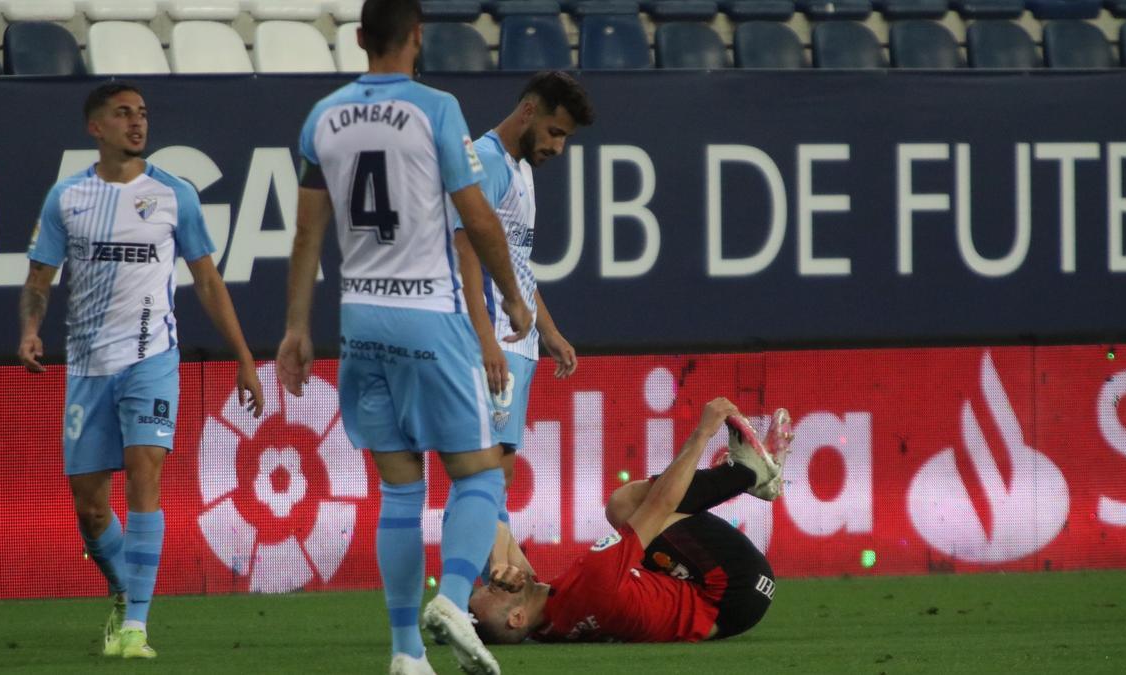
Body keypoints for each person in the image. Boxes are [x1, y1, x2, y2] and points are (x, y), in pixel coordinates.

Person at [276, 1, 531, 673]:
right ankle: (450, 597)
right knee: (479, 472)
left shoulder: (322, 117)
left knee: (398, 488)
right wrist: (509, 295)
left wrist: (297, 326)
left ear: (359, 39)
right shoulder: (436, 109)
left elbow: (307, 232)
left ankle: (405, 652)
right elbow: (477, 219)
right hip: (430, 314)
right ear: (418, 38)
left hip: (360, 322)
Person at [18, 82, 264, 660]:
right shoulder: (67, 198)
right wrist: (30, 331)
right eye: (123, 114)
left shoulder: (174, 194)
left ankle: (136, 627)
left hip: (152, 359)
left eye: (143, 114)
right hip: (87, 365)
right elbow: (37, 281)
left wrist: (245, 358)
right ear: (95, 128)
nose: (137, 123)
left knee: (144, 473)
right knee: (91, 506)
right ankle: (127, 590)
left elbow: (207, 280)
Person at [469, 402, 794, 644]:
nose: (495, 581)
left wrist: (498, 563)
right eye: (495, 590)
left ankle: (753, 476)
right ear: (516, 617)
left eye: (489, 581)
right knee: (626, 505)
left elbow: (493, 527)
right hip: (735, 587)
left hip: (720, 605)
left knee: (632, 509)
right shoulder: (594, 583)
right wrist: (703, 433)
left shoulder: (546, 623)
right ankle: (747, 473)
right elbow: (660, 505)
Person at [453, 70, 594, 538]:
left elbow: (514, 262)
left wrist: (547, 330)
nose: (558, 147)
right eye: (556, 132)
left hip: (519, 340)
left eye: (565, 138)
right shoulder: (487, 161)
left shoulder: (522, 170)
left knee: (499, 470)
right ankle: (486, 585)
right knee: (484, 471)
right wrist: (482, 340)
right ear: (529, 111)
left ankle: (493, 582)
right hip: (494, 337)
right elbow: (466, 251)